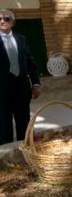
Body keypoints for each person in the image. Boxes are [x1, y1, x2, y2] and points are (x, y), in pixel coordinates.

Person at [0, 9, 41, 144]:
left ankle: (26, 154)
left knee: (24, 124)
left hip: (22, 89)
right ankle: (6, 157)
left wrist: (35, 84)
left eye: (6, 18)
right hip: (2, 92)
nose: (2, 21)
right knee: (4, 127)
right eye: (0, 19)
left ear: (13, 22)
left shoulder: (21, 39)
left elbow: (30, 63)